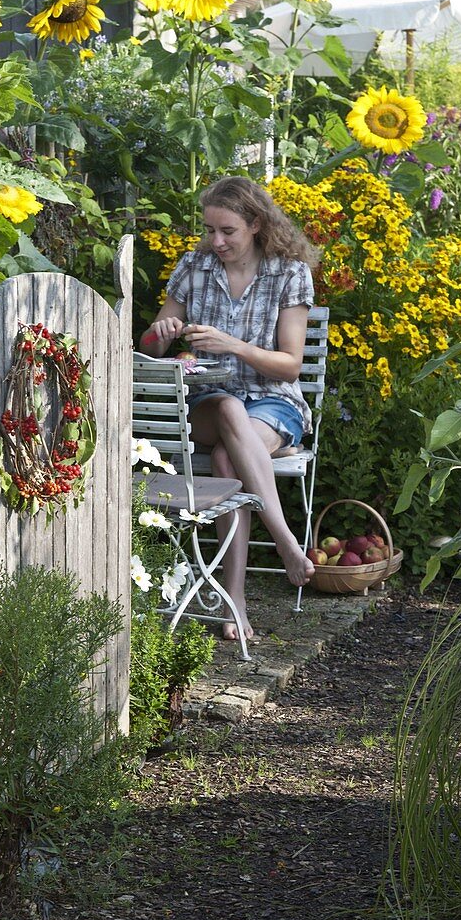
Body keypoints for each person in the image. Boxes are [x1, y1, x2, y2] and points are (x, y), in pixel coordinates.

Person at [139, 175, 319, 642]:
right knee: (227, 410)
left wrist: (232, 346)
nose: (215, 241)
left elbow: (290, 366)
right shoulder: (194, 267)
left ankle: (233, 597)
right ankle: (284, 540)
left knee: (225, 457)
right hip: (207, 401)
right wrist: (164, 333)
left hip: (273, 403)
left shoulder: (288, 272)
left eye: (228, 231)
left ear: (256, 224)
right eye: (210, 230)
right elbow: (150, 345)